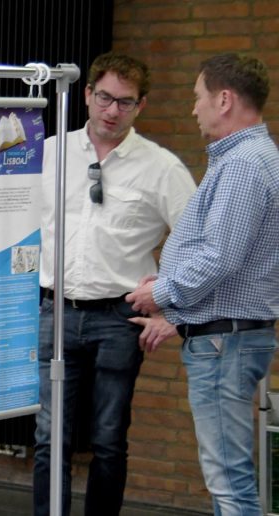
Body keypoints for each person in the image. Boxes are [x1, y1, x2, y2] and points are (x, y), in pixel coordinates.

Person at [32, 52, 196, 516]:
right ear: (86, 94)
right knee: (49, 437)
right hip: (54, 311)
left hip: (119, 317)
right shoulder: (49, 153)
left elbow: (200, 238)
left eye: (125, 103)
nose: (111, 111)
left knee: (108, 439)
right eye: (104, 97)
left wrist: (169, 302)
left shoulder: (160, 168)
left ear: (140, 106)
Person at [127, 53, 278, 515]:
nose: (194, 109)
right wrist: (173, 288)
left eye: (199, 98)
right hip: (229, 340)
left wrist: (163, 293)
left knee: (230, 485)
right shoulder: (249, 158)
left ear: (225, 99)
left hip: (224, 346)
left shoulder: (244, 164)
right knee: (228, 480)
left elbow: (221, 255)